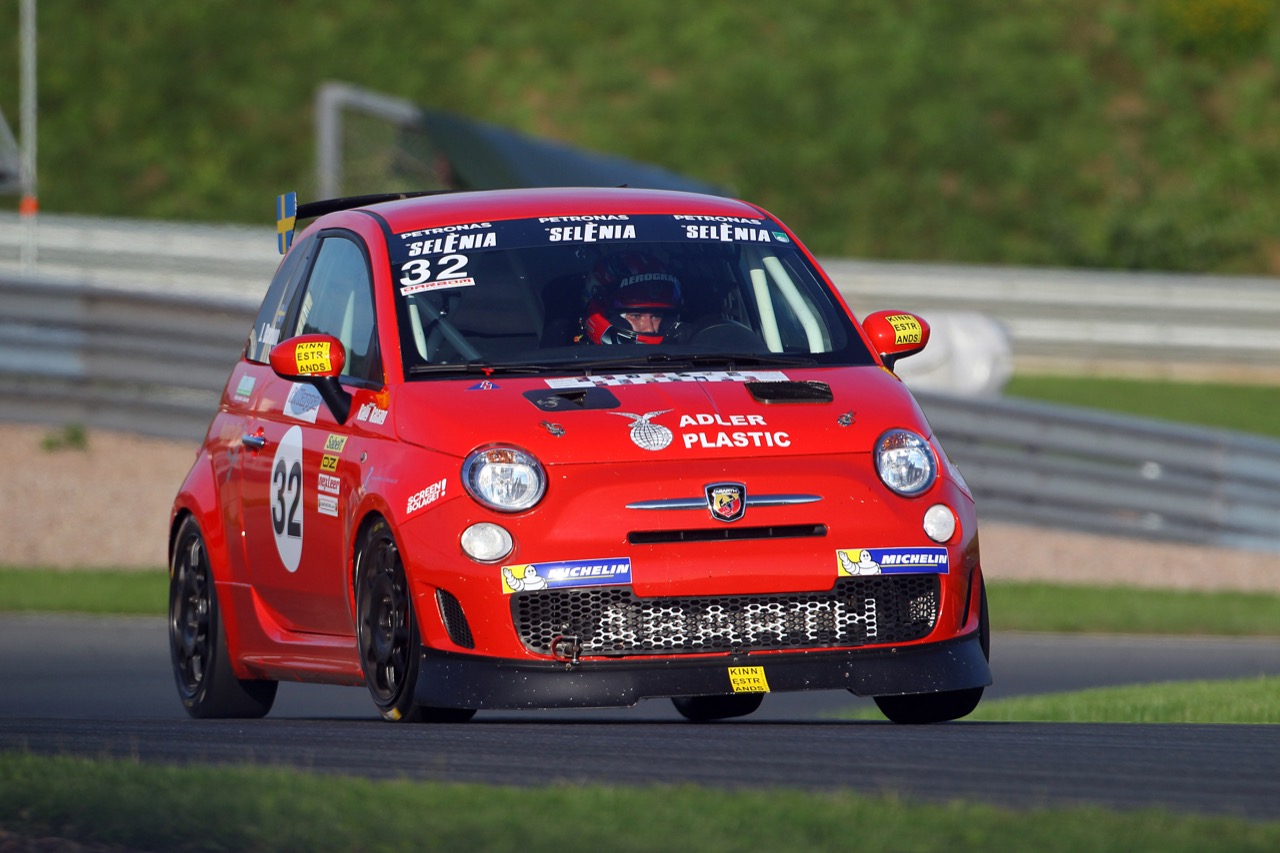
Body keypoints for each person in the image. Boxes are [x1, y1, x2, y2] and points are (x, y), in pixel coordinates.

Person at [580, 252, 683, 344]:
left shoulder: (682, 355)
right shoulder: (570, 358)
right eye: (636, 316)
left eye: (656, 316)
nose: (649, 329)